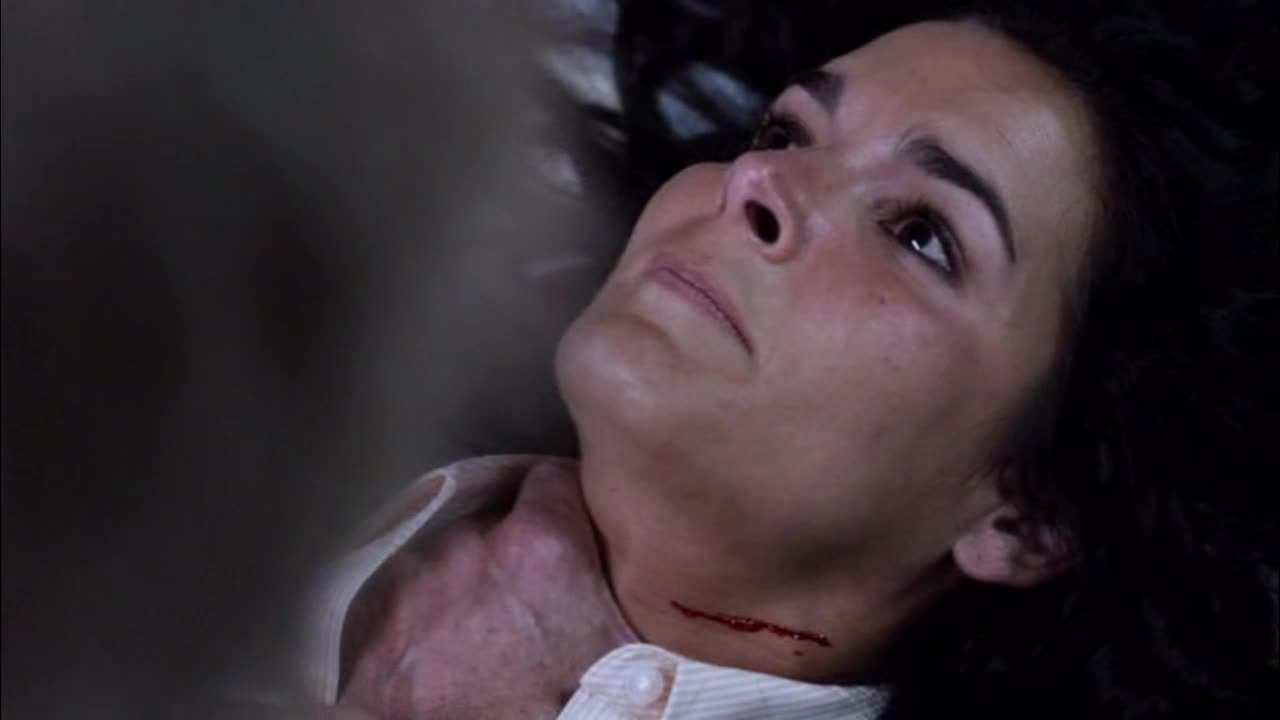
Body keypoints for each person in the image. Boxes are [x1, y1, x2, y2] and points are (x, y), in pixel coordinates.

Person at [306, 1, 1278, 718]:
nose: (758, 181)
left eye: (921, 235)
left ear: (1026, 516)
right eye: (783, 131)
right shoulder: (285, 388)